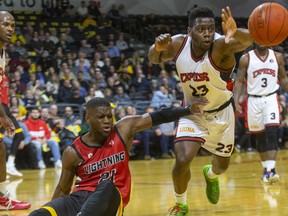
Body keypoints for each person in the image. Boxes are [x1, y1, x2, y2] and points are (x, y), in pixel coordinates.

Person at [148, 6, 253, 215]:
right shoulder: (178, 44)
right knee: (182, 159)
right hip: (192, 113)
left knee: (222, 166)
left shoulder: (220, 47)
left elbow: (248, 40)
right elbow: (153, 57)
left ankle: (211, 175)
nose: (207, 33)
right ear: (189, 31)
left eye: (210, 28)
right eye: (201, 29)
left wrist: (236, 31)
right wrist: (157, 48)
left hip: (222, 113)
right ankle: (181, 204)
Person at [28, 96, 208, 216]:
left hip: (111, 200)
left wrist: (187, 109)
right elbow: (62, 188)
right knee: (38, 214)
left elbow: (158, 116)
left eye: (109, 116)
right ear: (88, 119)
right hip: (80, 199)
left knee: (106, 185)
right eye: (101, 117)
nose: (107, 121)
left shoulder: (123, 129)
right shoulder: (72, 152)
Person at [233, 43, 288, 183]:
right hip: (253, 101)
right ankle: (266, 170)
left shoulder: (277, 56)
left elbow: (283, 78)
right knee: (260, 137)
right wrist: (236, 101)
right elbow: (239, 81)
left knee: (272, 132)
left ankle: (271, 170)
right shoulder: (246, 59)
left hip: (271, 98)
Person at [0, 10, 31, 210]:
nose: (10, 29)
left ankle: (2, 196)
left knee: (0, 148)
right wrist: (4, 116)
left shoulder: (3, 53)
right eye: (5, 24)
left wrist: (4, 112)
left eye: (12, 25)